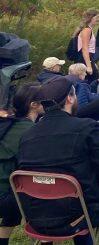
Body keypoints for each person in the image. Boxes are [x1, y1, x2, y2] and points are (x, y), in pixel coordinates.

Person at [17, 77, 99, 245]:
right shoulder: (87, 127)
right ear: (70, 98)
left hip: (37, 217)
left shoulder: (27, 135)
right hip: (77, 214)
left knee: (77, 192)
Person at [0, 83, 43, 245]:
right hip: (4, 198)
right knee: (46, 194)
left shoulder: (7, 123)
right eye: (44, 100)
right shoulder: (31, 131)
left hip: (6, 194)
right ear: (33, 105)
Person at [73, 8, 99, 85]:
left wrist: (92, 63)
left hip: (89, 58)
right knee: (94, 82)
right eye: (97, 17)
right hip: (84, 58)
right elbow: (85, 49)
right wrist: (89, 66)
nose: (98, 19)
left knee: (91, 82)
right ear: (91, 18)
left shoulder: (88, 29)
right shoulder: (87, 30)